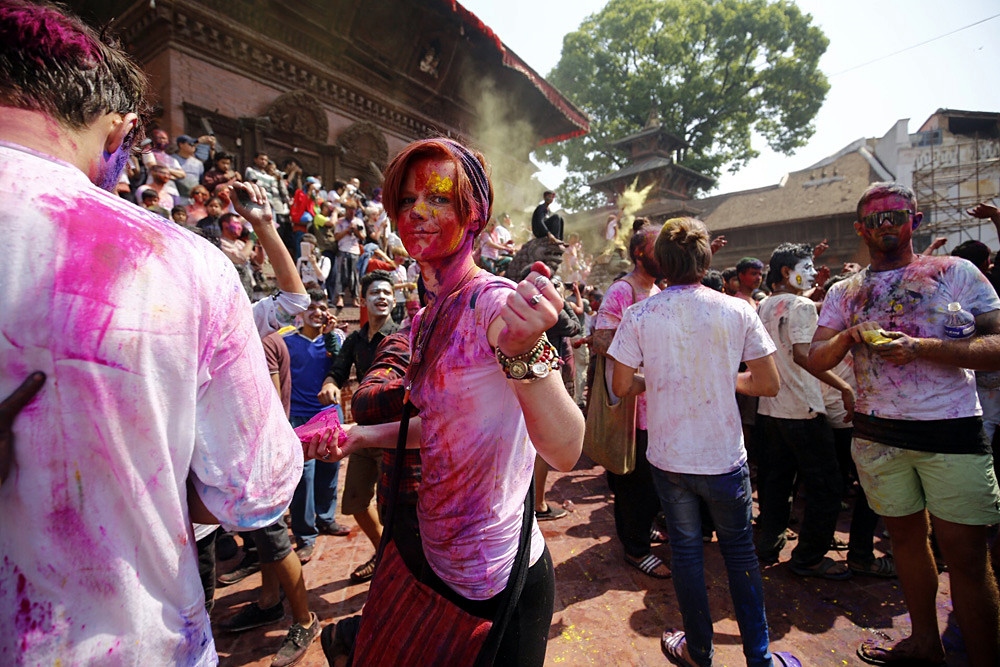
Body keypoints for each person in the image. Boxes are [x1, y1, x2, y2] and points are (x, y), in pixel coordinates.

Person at [0, 2, 302, 663]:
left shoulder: (209, 283)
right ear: (120, 132)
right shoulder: (179, 264)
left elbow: (292, 306)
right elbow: (255, 489)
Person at [307, 137, 585, 665]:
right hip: (438, 558)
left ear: (474, 213)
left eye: (438, 198)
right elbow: (443, 425)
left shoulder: (492, 302)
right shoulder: (427, 315)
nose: (418, 212)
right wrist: (362, 436)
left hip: (496, 581)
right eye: (407, 201)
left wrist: (525, 352)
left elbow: (567, 449)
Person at [808, 182, 1000, 667]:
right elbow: (815, 357)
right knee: (907, 546)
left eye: (896, 215)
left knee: (968, 561)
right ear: (861, 228)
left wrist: (926, 348)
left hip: (950, 431)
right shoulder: (845, 291)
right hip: (877, 435)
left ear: (915, 219)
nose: (886, 226)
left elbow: (998, 348)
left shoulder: (957, 272)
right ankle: (925, 644)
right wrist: (851, 335)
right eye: (875, 219)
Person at [607, 217, 797, 667]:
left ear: (662, 263)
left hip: (668, 458)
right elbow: (768, 383)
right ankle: (760, 658)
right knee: (739, 554)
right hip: (723, 456)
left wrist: (653, 378)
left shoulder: (641, 313)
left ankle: (698, 651)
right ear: (706, 258)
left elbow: (619, 384)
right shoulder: (737, 309)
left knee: (687, 554)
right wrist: (722, 377)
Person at [754, 243, 854, 578]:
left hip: (771, 408)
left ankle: (769, 543)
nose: (811, 273)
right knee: (826, 485)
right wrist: (844, 386)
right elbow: (802, 355)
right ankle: (810, 556)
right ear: (786, 272)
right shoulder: (801, 306)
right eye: (807, 267)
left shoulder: (764, 305)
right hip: (804, 410)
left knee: (777, 482)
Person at [591, 221, 672, 579]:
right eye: (659, 249)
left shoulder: (658, 291)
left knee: (650, 479)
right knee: (633, 481)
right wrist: (639, 368)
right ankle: (636, 549)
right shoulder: (622, 291)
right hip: (629, 406)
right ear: (640, 254)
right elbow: (601, 340)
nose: (666, 256)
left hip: (655, 407)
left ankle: (640, 528)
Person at [317, 270, 400, 582]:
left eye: (387, 292)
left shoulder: (402, 335)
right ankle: (384, 552)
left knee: (397, 508)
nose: (381, 297)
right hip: (363, 436)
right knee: (354, 502)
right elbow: (338, 370)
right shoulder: (355, 339)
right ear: (364, 300)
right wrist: (330, 384)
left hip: (394, 434)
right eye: (375, 292)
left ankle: (400, 563)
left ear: (394, 299)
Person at [286, 292, 351, 563]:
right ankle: (304, 535)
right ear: (300, 312)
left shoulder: (335, 340)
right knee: (303, 478)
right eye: (311, 307)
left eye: (322, 307)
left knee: (329, 468)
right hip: (298, 417)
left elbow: (341, 370)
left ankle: (326, 518)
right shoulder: (285, 341)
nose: (317, 311)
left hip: (328, 415)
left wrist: (332, 334)